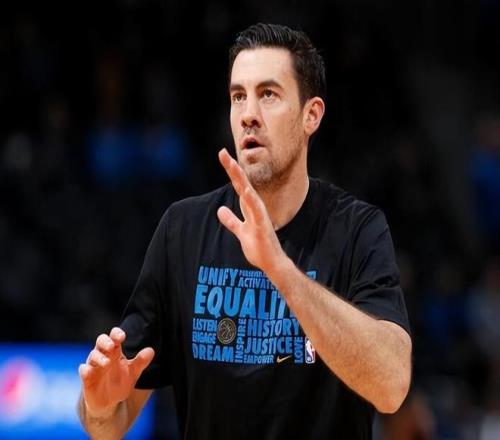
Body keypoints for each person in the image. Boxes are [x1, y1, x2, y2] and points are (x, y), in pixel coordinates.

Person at [78, 23, 412, 439]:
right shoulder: (182, 230)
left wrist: (281, 270)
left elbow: (392, 387)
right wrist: (99, 407)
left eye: (268, 94)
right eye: (238, 96)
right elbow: (111, 422)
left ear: (311, 115)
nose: (248, 114)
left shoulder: (356, 230)